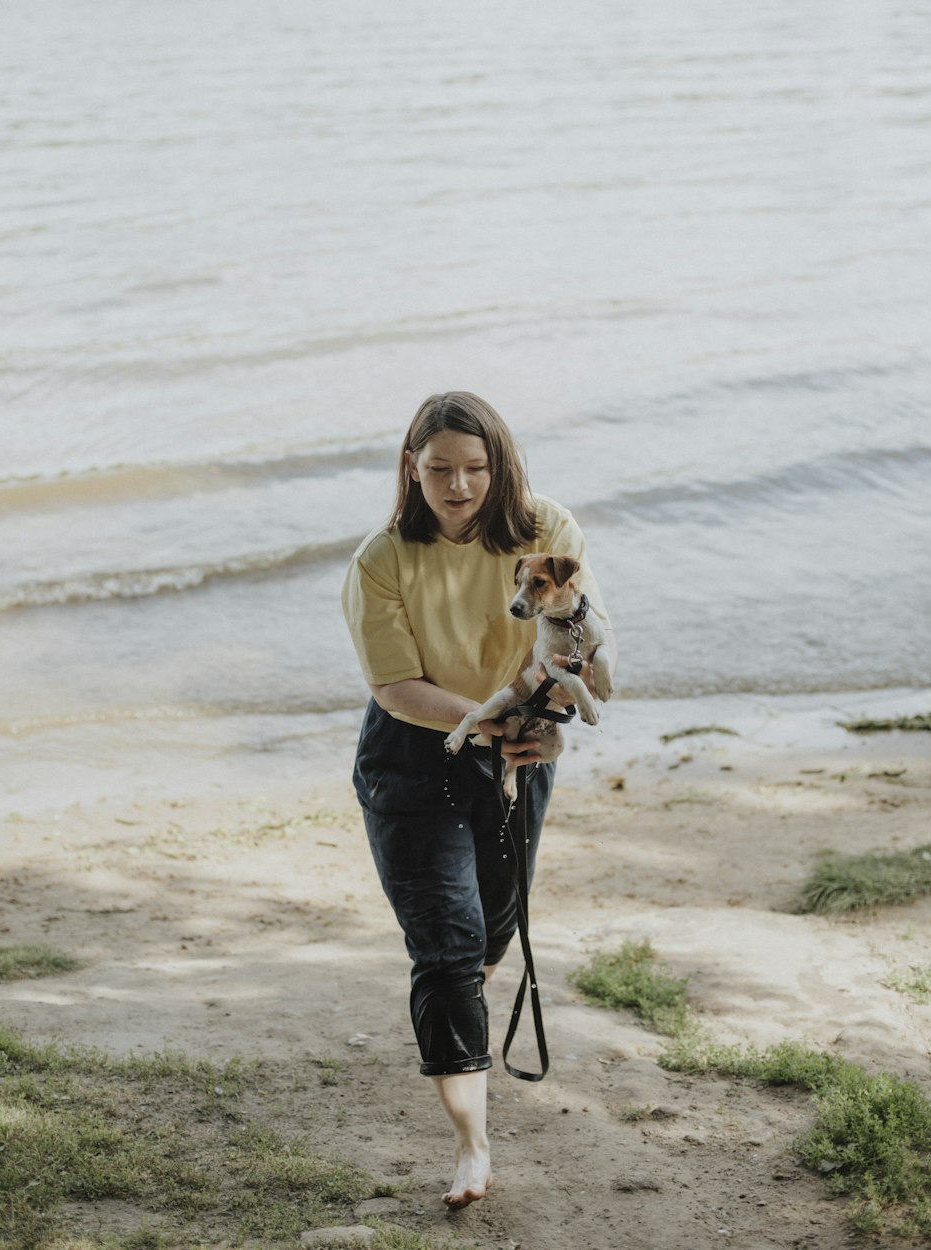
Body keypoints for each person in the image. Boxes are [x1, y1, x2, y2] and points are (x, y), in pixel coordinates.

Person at [341, 391, 616, 1208]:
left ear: (500, 468)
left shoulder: (548, 532)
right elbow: (395, 686)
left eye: (473, 469)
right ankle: (473, 1148)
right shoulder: (382, 558)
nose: (457, 487)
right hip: (413, 749)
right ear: (410, 469)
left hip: (517, 743)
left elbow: (582, 643)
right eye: (438, 470)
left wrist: (552, 721)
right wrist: (484, 721)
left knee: (494, 925)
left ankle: (463, 1002)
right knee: (449, 944)